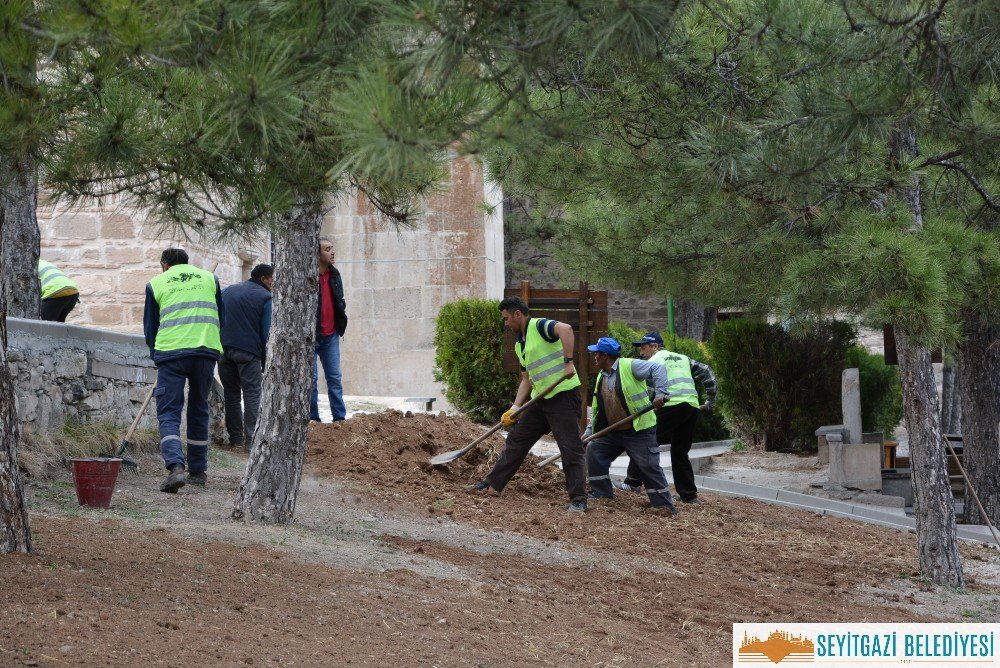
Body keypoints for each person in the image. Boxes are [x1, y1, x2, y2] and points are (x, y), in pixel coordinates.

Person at [466, 296, 589, 512]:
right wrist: (514, 408)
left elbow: (567, 329)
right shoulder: (519, 344)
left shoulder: (540, 326)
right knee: (517, 440)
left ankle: (578, 499)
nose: (505, 323)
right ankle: (492, 483)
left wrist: (568, 362)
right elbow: (526, 379)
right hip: (540, 399)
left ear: (518, 314)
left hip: (563, 396)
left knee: (570, 448)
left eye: (506, 319)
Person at [143, 248, 224, 493]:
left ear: (164, 265)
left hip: (172, 354)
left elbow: (151, 327)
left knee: (169, 412)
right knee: (199, 408)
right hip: (205, 352)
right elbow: (222, 316)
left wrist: (156, 357)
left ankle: (176, 468)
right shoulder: (210, 279)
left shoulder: (156, 284)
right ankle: (198, 471)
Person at [622, 330, 718, 504]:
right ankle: (689, 496)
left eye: (643, 348)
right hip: (691, 406)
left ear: (655, 346)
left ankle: (633, 483)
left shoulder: (654, 361)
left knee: (645, 441)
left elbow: (650, 392)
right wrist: (711, 399)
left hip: (671, 405)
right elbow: (707, 371)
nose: (640, 352)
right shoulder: (683, 358)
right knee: (680, 452)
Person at [584, 337, 677, 514]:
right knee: (594, 450)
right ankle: (601, 492)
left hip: (638, 431)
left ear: (604, 356)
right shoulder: (601, 376)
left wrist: (661, 393)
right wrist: (589, 432)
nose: (594, 357)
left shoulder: (629, 365)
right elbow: (598, 410)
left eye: (596, 354)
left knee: (648, 467)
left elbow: (658, 368)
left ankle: (664, 506)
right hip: (614, 432)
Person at [218, 263, 273, 449]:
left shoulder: (227, 291)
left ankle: (235, 438)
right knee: (252, 393)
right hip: (248, 352)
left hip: (223, 349)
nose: (274, 284)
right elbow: (266, 333)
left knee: (231, 394)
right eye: (273, 279)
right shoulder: (266, 297)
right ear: (264, 279)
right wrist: (266, 362)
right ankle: (252, 440)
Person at [310, 237, 348, 422]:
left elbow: (339, 301)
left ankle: (339, 419)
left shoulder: (334, 274)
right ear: (317, 254)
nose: (332, 252)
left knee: (334, 378)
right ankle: (313, 419)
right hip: (312, 336)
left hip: (331, 334)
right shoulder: (308, 277)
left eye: (332, 248)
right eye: (327, 249)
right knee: (312, 381)